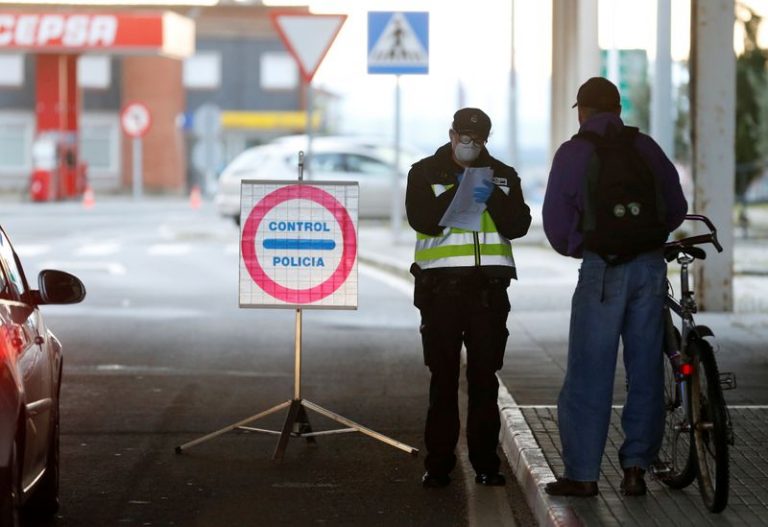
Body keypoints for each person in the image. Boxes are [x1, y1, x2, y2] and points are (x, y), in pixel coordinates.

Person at [542, 77, 688, 497]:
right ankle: (636, 469)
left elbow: (555, 224)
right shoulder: (646, 148)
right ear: (619, 109)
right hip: (649, 269)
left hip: (602, 271)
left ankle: (583, 475)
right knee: (645, 368)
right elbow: (675, 207)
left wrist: (586, 246)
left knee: (590, 371)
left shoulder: (573, 153)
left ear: (583, 111)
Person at [405, 108, 532, 488]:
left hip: (489, 293)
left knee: (484, 380)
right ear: (451, 134)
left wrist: (490, 194)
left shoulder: (504, 176)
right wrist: (464, 192)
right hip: (441, 292)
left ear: (486, 140)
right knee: (442, 379)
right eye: (464, 137)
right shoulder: (425, 172)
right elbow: (422, 220)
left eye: (478, 139)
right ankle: (439, 464)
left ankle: (486, 464)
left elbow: (518, 225)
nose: (470, 144)